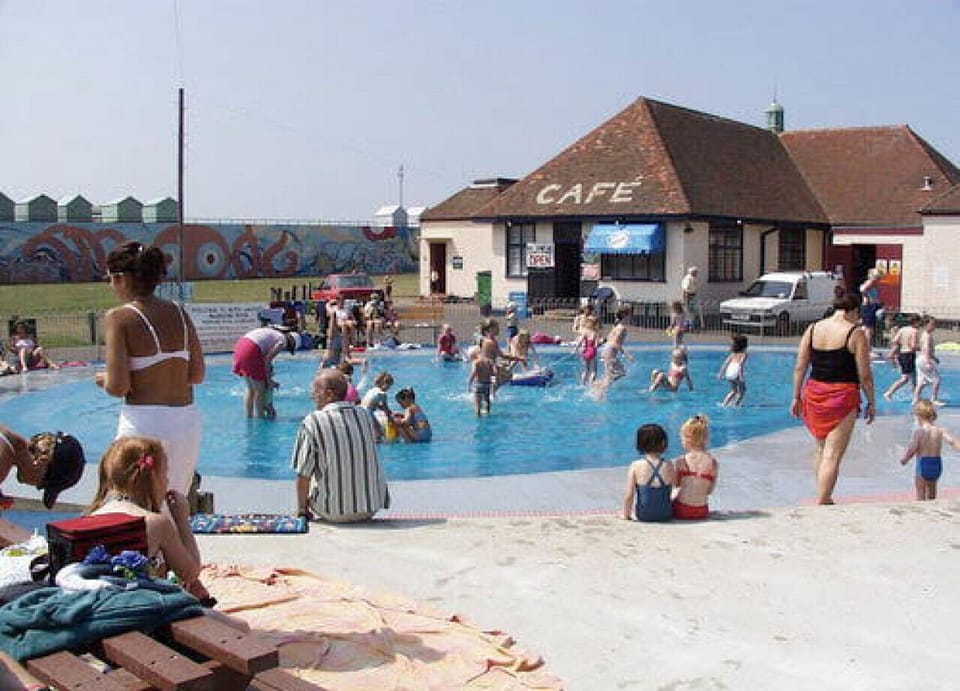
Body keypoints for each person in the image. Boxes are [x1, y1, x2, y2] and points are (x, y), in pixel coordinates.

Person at [97, 241, 206, 497]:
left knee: (133, 505)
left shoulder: (119, 317)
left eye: (111, 279)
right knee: (176, 502)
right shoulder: (179, 312)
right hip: (186, 422)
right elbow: (197, 375)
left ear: (121, 278)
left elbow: (118, 386)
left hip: (143, 423)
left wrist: (102, 379)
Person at [88, 436, 214, 605]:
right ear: (153, 476)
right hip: (140, 611)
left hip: (98, 605)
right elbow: (189, 572)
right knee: (239, 627)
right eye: (165, 473)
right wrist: (181, 520)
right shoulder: (157, 523)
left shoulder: (93, 516)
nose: (168, 480)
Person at [791, 291, 875, 505]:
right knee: (833, 453)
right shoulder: (855, 333)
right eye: (860, 313)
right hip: (842, 396)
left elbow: (800, 367)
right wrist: (872, 401)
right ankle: (824, 498)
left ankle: (822, 492)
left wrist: (796, 397)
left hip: (814, 393)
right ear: (854, 310)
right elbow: (864, 374)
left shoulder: (812, 329)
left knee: (821, 448)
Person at [292, 369, 390, 522]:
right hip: (371, 508)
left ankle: (308, 508)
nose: (313, 396)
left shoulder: (312, 421)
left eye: (316, 392)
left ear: (329, 394)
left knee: (307, 470)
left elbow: (303, 475)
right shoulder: (365, 415)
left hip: (333, 511)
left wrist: (302, 509)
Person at [0, 425, 85, 544]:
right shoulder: (2, 459)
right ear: (42, 462)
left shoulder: (8, 441)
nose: (37, 488)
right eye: (42, 485)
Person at [232, 326, 300, 419]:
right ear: (291, 342)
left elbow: (265, 360)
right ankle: (261, 419)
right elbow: (267, 361)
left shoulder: (274, 334)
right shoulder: (282, 341)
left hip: (241, 346)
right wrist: (269, 381)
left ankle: (249, 417)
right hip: (251, 349)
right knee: (260, 389)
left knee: (251, 389)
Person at [899, 399, 960, 501]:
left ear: (918, 416)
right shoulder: (939, 430)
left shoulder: (919, 432)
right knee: (932, 493)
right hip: (936, 464)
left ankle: (922, 506)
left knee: (921, 493)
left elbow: (913, 449)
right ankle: (932, 505)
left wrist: (904, 459)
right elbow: (952, 441)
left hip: (923, 464)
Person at [622, 423, 676, 522]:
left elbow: (629, 495)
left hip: (644, 515)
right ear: (663, 443)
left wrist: (626, 515)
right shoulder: (669, 464)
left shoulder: (636, 465)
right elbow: (674, 488)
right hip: (665, 514)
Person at [672, 415, 719, 520]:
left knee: (674, 495)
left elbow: (676, 484)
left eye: (682, 438)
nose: (681, 441)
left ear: (688, 439)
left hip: (682, 510)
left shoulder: (681, 460)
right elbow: (709, 491)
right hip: (702, 511)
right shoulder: (713, 463)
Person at [596, 307, 634, 397]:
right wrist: (627, 355)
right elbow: (616, 342)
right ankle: (600, 394)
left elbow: (608, 338)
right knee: (611, 375)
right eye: (629, 314)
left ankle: (600, 385)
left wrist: (600, 343)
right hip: (610, 351)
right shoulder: (622, 328)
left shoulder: (617, 326)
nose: (631, 317)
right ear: (625, 315)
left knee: (620, 372)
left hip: (607, 350)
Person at [884, 314, 921, 401]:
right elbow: (912, 346)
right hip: (909, 355)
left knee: (913, 377)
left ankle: (916, 397)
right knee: (906, 378)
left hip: (902, 354)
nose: (920, 325)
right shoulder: (914, 331)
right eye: (919, 323)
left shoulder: (903, 329)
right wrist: (921, 347)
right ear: (916, 322)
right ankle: (889, 393)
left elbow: (895, 340)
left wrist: (903, 343)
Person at [915, 316, 943, 405]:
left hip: (920, 359)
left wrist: (934, 358)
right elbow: (926, 348)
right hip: (925, 359)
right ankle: (934, 399)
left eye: (935, 324)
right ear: (926, 324)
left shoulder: (924, 334)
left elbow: (924, 349)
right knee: (937, 380)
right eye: (932, 324)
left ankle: (916, 399)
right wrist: (928, 361)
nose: (934, 326)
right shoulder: (927, 336)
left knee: (922, 381)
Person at [360, 371, 396, 439]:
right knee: (378, 432)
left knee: (373, 429)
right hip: (368, 412)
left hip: (361, 410)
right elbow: (386, 409)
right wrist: (391, 418)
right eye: (389, 386)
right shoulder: (382, 394)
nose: (389, 388)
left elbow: (374, 404)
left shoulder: (372, 390)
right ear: (385, 384)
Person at [718, 334, 749, 406]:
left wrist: (721, 373)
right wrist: (741, 376)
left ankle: (724, 404)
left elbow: (725, 363)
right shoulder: (744, 354)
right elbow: (740, 365)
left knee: (734, 391)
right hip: (736, 372)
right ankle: (735, 405)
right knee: (742, 391)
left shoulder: (733, 354)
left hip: (729, 372)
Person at [859, 269, 883, 357]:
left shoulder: (872, 284)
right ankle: (868, 350)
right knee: (869, 329)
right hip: (869, 307)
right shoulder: (871, 283)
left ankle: (865, 348)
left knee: (865, 328)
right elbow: (862, 289)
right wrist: (868, 298)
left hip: (869, 306)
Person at [575, 314, 602, 386]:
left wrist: (575, 349)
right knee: (594, 371)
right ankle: (591, 384)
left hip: (585, 351)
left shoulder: (585, 332)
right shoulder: (596, 333)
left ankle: (582, 384)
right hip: (592, 351)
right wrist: (601, 343)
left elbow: (580, 341)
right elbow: (597, 345)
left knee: (586, 370)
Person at [468, 348, 495, 416]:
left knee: (478, 406)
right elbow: (493, 373)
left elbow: (474, 372)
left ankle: (478, 416)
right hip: (487, 384)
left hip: (478, 384)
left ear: (474, 355)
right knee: (487, 401)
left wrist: (469, 382)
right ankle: (488, 414)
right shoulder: (489, 361)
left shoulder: (476, 362)